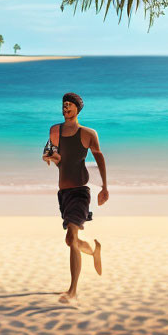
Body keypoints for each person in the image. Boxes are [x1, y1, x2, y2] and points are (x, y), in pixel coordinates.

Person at [42, 92, 109, 303]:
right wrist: (49, 157)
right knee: (71, 240)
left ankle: (72, 291)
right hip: (63, 193)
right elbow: (51, 154)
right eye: (63, 105)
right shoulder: (55, 131)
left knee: (71, 235)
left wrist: (104, 187)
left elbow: (99, 157)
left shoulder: (88, 133)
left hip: (81, 191)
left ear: (78, 109)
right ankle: (93, 251)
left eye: (69, 105)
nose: (65, 108)